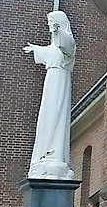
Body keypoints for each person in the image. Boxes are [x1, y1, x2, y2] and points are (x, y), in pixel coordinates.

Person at [23, 10, 77, 180]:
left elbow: (66, 46)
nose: (49, 27)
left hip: (60, 80)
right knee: (46, 116)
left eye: (51, 23)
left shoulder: (67, 41)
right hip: (50, 80)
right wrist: (35, 49)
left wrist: (58, 32)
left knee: (56, 114)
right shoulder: (54, 46)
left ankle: (55, 154)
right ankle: (44, 153)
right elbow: (49, 51)